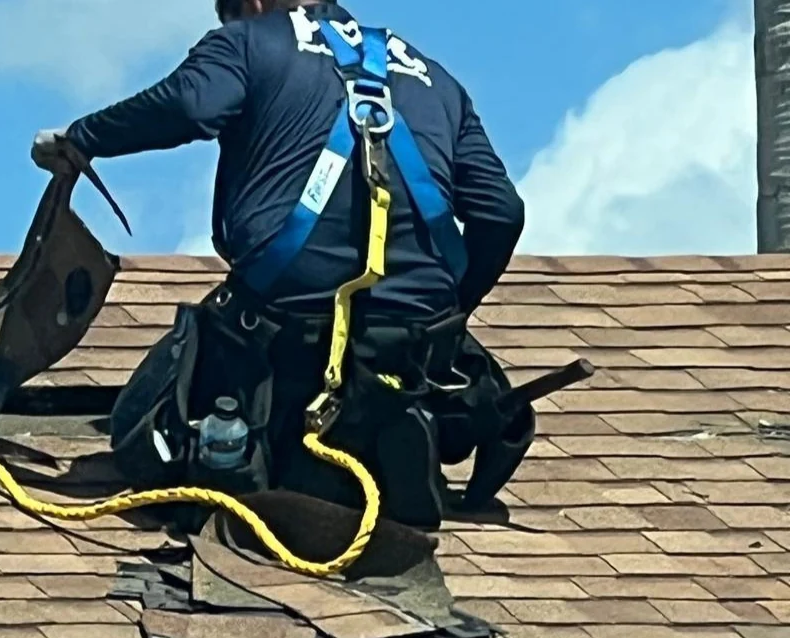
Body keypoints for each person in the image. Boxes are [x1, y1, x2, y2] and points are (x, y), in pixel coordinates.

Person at [32, 0, 527, 529]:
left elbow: (194, 104)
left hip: (281, 340)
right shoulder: (436, 78)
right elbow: (501, 213)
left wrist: (82, 137)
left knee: (141, 418)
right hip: (406, 355)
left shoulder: (250, 42)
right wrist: (444, 321)